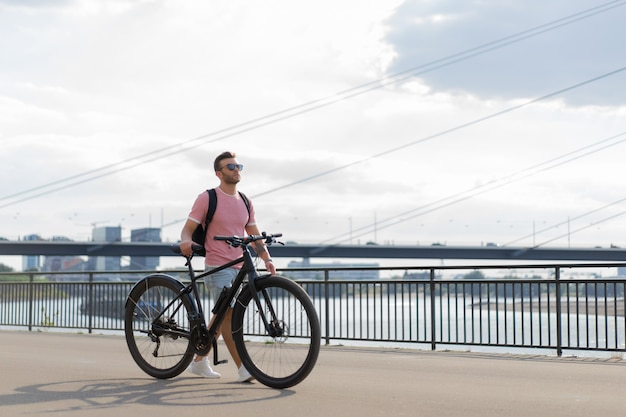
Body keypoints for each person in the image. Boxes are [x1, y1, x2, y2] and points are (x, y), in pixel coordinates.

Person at [179, 151, 276, 382]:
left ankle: (199, 361)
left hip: (239, 265)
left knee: (219, 317)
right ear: (219, 173)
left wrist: (267, 259)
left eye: (238, 165)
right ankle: (244, 368)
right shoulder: (207, 198)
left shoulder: (245, 201)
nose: (236, 169)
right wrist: (185, 240)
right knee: (229, 314)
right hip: (217, 264)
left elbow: (254, 235)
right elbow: (188, 229)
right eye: (230, 166)